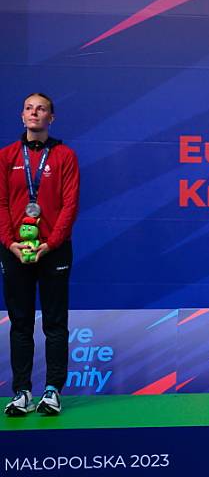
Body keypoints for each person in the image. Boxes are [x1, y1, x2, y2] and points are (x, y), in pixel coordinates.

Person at [1, 93, 80, 416]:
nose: (35, 113)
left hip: (54, 249)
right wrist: (10, 243)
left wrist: (52, 243)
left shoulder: (64, 156)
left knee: (55, 322)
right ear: (22, 117)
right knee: (19, 322)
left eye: (42, 109)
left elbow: (69, 205)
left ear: (51, 118)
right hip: (16, 251)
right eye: (30, 109)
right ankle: (22, 392)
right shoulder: (6, 156)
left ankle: (52, 391)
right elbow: (1, 204)